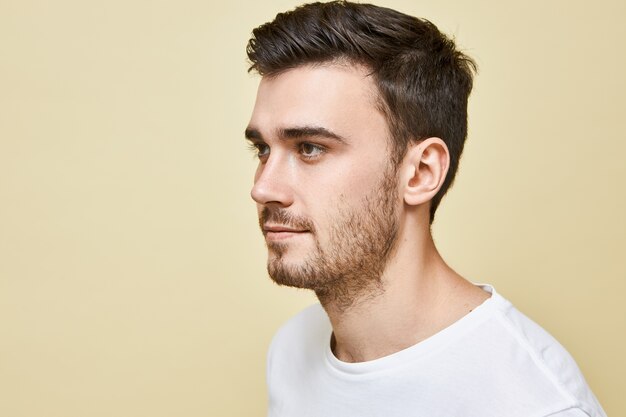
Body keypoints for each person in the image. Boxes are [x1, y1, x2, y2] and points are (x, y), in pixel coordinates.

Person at [244, 1, 606, 416]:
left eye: (310, 148)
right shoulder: (291, 349)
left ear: (419, 173)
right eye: (262, 149)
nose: (263, 188)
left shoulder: (536, 405)